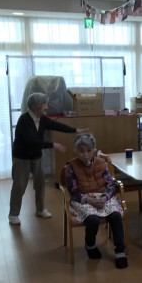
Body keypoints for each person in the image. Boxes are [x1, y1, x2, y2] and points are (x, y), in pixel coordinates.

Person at [9, 92, 88, 226]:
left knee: (40, 184)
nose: (47, 106)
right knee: (19, 185)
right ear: (37, 106)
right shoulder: (24, 120)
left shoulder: (42, 118)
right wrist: (53, 145)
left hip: (36, 156)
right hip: (22, 157)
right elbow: (32, 141)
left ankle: (40, 210)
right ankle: (13, 214)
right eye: (45, 104)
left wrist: (75, 130)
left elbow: (57, 126)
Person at [64, 133, 128, 269]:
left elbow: (110, 184)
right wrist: (88, 199)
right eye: (81, 151)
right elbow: (73, 192)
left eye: (88, 151)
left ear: (93, 150)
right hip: (83, 198)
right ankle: (90, 244)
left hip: (102, 196)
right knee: (92, 219)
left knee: (115, 215)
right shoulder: (70, 167)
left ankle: (120, 251)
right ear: (76, 151)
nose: (85, 154)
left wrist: (105, 197)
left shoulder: (101, 163)